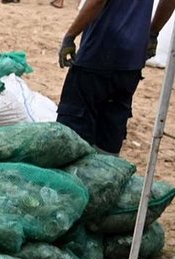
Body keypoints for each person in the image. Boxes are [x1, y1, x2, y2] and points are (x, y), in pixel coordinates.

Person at [57, 0, 175, 154]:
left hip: (98, 51)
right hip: (131, 61)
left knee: (72, 132)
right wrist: (153, 33)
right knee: (110, 135)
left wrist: (70, 36)